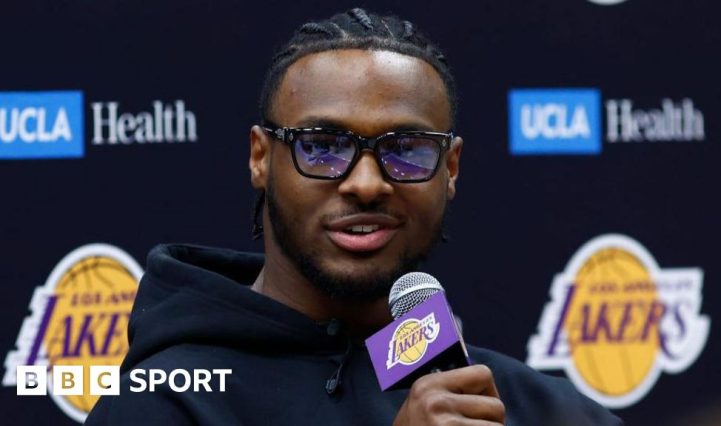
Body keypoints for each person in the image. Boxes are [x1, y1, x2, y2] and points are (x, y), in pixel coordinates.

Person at [87, 8, 622, 426]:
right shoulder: (166, 402)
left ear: (451, 167)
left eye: (406, 149)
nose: (366, 183)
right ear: (259, 158)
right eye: (322, 145)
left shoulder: (526, 405)